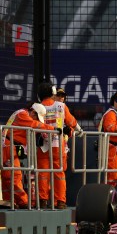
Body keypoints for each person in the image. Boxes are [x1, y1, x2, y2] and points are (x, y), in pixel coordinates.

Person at [2, 103, 56, 209]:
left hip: (9, 145)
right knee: (14, 175)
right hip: (9, 145)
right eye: (36, 117)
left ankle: (9, 201)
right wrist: (52, 129)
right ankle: (24, 201)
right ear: (33, 112)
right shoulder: (23, 114)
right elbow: (34, 125)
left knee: (7, 175)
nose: (36, 120)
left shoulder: (20, 113)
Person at [37, 81, 82, 209]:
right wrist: (79, 129)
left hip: (43, 147)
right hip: (59, 146)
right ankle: (60, 202)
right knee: (59, 174)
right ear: (53, 93)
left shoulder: (38, 107)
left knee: (43, 174)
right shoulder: (61, 106)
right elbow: (71, 121)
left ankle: (42, 201)